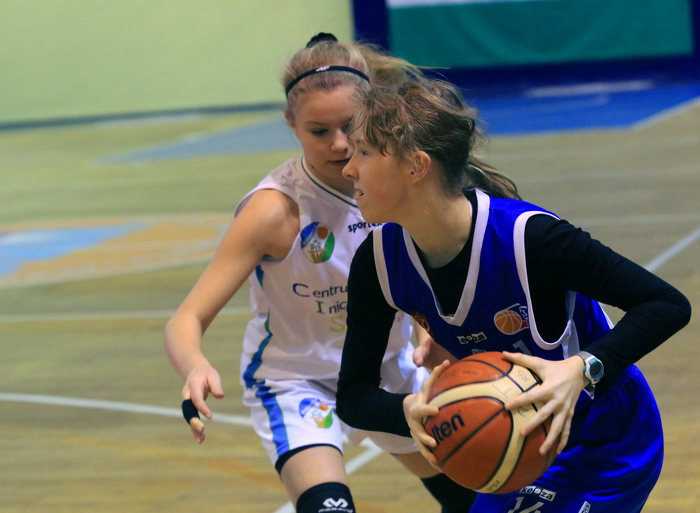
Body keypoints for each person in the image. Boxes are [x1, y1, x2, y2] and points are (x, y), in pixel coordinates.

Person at [335, 75, 692, 512]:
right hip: (513, 441)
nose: (348, 168)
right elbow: (352, 394)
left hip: (605, 437)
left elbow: (667, 304)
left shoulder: (530, 239)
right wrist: (408, 409)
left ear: (416, 166)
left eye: (364, 153)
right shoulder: (377, 262)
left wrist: (581, 369)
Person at [164, 34, 477, 513]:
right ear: (291, 124)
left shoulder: (399, 184)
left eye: (350, 126)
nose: (339, 144)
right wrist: (195, 366)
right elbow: (187, 317)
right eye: (318, 131)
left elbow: (418, 277)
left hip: (385, 371)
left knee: (477, 498)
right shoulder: (274, 210)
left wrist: (427, 332)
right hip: (298, 380)